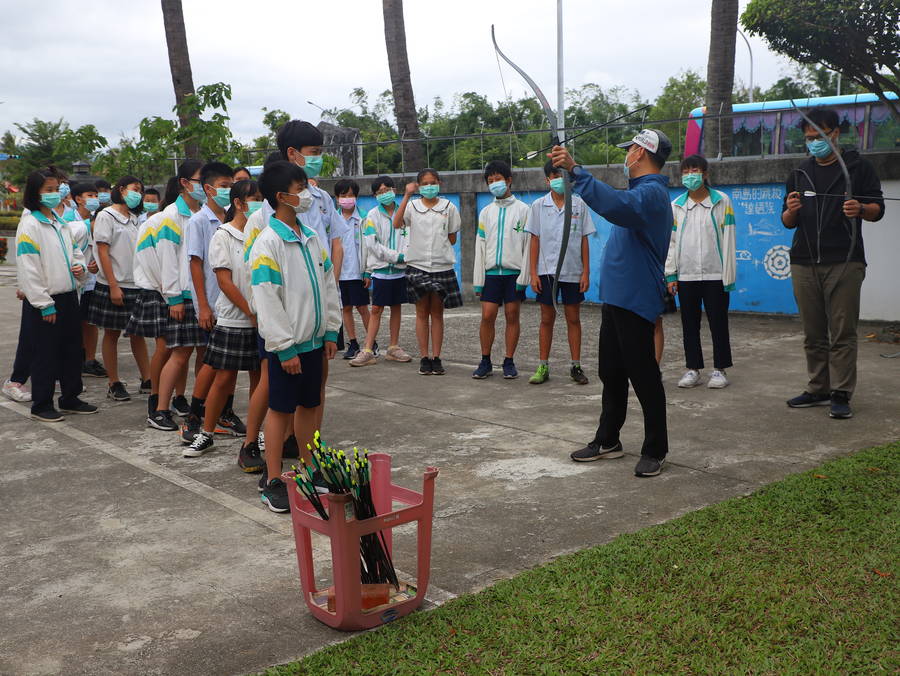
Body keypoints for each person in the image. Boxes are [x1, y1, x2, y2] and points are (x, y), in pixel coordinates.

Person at [550, 128, 673, 477]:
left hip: (636, 298)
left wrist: (577, 171)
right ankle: (608, 440)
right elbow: (616, 203)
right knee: (611, 372)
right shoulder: (639, 193)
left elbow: (615, 206)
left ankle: (655, 448)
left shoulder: (650, 194)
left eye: (630, 149)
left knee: (644, 374)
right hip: (618, 297)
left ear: (642, 153)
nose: (626, 155)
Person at [782, 107, 885, 419]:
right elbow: (787, 221)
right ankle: (818, 388)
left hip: (845, 260)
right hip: (803, 261)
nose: (814, 142)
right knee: (813, 333)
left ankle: (841, 393)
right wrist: (791, 209)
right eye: (809, 138)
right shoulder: (799, 172)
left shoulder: (858, 168)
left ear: (836, 133)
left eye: (819, 136)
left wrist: (860, 209)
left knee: (842, 332)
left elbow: (878, 209)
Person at [250, 160, 340, 513]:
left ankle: (310, 467)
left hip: (315, 343)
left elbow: (328, 286)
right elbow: (267, 300)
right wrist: (284, 347)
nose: (307, 193)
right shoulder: (267, 244)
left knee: (310, 406)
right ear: (281, 196)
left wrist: (331, 328)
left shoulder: (312, 238)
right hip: (287, 348)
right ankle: (274, 478)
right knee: (280, 411)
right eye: (300, 187)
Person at [184, 179, 262, 459]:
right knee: (223, 378)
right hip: (233, 319)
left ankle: (256, 434)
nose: (259, 204)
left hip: (260, 319)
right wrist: (251, 312)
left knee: (259, 380)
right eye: (253, 199)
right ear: (239, 204)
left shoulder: (262, 233)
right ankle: (206, 432)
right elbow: (225, 282)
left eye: (261, 199)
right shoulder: (223, 235)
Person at [15, 169, 96, 421]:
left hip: (69, 295)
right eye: (48, 190)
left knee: (72, 350)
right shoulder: (30, 225)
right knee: (45, 354)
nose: (54, 194)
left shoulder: (60, 223)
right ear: (35, 194)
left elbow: (76, 253)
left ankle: (70, 397)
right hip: (45, 302)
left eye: (56, 189)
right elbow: (29, 268)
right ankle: (41, 404)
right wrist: (43, 303)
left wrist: (80, 268)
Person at [180, 161, 246, 442]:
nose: (228, 190)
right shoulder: (198, 221)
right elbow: (196, 264)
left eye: (231, 185)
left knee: (227, 365)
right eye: (224, 186)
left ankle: (224, 413)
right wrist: (203, 306)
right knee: (212, 362)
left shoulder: (231, 219)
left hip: (231, 304)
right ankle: (194, 418)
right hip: (213, 302)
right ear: (207, 189)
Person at [665, 154, 737, 390]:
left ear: (705, 174)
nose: (690, 176)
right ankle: (693, 369)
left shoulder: (721, 201)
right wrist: (671, 274)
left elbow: (729, 239)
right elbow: (672, 242)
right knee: (689, 324)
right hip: (686, 276)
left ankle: (720, 369)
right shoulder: (676, 206)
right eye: (685, 172)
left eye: (694, 171)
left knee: (718, 322)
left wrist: (729, 275)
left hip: (716, 274)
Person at [526, 161, 595, 386]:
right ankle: (543, 365)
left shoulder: (579, 205)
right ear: (547, 180)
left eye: (562, 175)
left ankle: (575, 365)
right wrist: (533, 273)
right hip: (547, 272)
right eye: (554, 176)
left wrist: (586, 272)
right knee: (547, 318)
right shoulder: (538, 205)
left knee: (573, 318)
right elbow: (534, 240)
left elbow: (584, 239)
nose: (558, 180)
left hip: (573, 271)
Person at [151, 161, 206, 431]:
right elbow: (167, 259)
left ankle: (198, 404)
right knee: (180, 354)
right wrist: (173, 297)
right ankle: (160, 410)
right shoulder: (171, 216)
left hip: (203, 294)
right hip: (182, 294)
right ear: (184, 183)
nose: (203, 185)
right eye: (199, 180)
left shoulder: (205, 212)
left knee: (204, 354)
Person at [88, 175, 151, 401]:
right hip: (114, 284)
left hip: (136, 283)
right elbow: (102, 251)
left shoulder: (134, 218)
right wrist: (113, 285)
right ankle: (113, 382)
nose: (139, 194)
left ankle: (147, 378)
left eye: (141, 190)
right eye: (136, 189)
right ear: (122, 189)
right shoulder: (107, 216)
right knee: (112, 334)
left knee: (138, 334)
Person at [394, 169, 462, 375]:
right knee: (422, 313)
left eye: (433, 182)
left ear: (439, 183)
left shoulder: (449, 207)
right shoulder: (412, 206)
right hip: (418, 265)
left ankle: (437, 357)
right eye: (425, 183)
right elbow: (397, 223)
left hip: (442, 265)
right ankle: (424, 357)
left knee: (437, 313)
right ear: (419, 186)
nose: (429, 186)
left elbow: (452, 237)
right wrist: (406, 195)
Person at [472, 160, 531, 379]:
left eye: (498, 179)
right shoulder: (486, 212)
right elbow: (480, 245)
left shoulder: (524, 210)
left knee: (512, 314)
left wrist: (524, 278)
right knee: (487, 315)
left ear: (508, 181)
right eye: (490, 181)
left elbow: (528, 245)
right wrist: (479, 280)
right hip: (491, 274)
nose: (495, 184)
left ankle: (509, 361)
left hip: (514, 273)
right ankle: (485, 360)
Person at [127, 186, 178, 426]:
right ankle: (156, 400)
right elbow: (149, 260)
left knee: (182, 348)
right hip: (161, 291)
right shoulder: (157, 222)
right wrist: (168, 292)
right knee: (165, 347)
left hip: (177, 292)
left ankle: (177, 398)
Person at [349, 175, 410, 367]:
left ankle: (393, 347)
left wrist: (405, 256)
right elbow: (372, 245)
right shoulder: (371, 217)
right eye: (380, 192)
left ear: (394, 190)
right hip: (382, 269)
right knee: (376, 309)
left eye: (387, 190)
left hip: (400, 270)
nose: (384, 194)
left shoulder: (406, 212)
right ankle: (367, 349)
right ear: (375, 195)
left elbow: (412, 238)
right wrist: (396, 256)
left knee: (397, 307)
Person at [332, 179, 374, 360]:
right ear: (337, 198)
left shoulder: (365, 219)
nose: (347, 199)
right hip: (339, 273)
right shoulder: (332, 220)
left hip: (358, 272)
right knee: (346, 309)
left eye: (350, 195)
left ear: (356, 197)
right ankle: (353, 342)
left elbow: (370, 247)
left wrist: (367, 271)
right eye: (343, 195)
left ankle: (371, 343)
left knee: (363, 308)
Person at [69, 182, 106, 378]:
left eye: (96, 195)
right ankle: (74, 359)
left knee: (90, 322)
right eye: (90, 195)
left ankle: (89, 360)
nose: (95, 198)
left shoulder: (97, 219)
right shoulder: (68, 220)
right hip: (75, 280)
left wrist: (96, 264)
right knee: (73, 322)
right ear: (78, 199)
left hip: (92, 280)